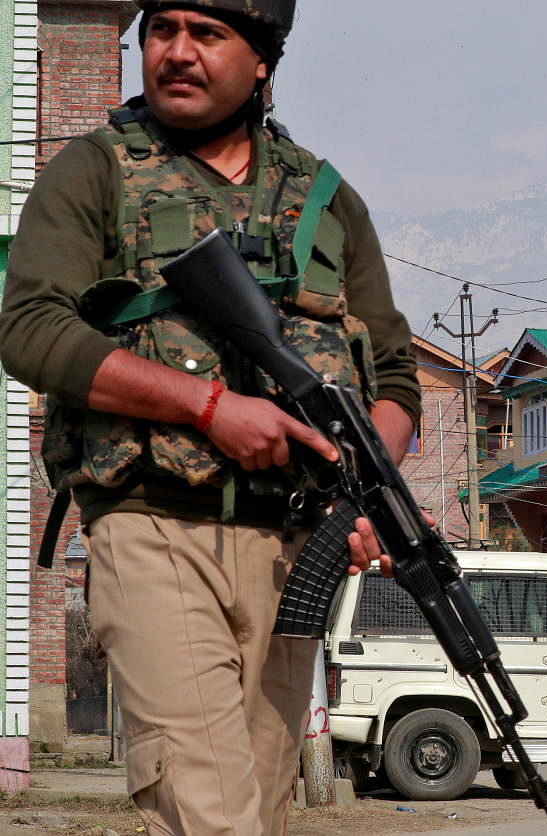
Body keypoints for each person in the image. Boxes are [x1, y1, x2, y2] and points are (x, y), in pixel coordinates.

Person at [0, 1, 420, 833]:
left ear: (262, 60)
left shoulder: (327, 200)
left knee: (257, 811)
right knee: (211, 811)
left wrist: (365, 490)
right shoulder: (95, 172)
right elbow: (30, 329)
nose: (177, 53)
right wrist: (210, 407)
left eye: (208, 34)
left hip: (291, 552)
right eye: (163, 30)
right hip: (152, 526)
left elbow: (397, 382)